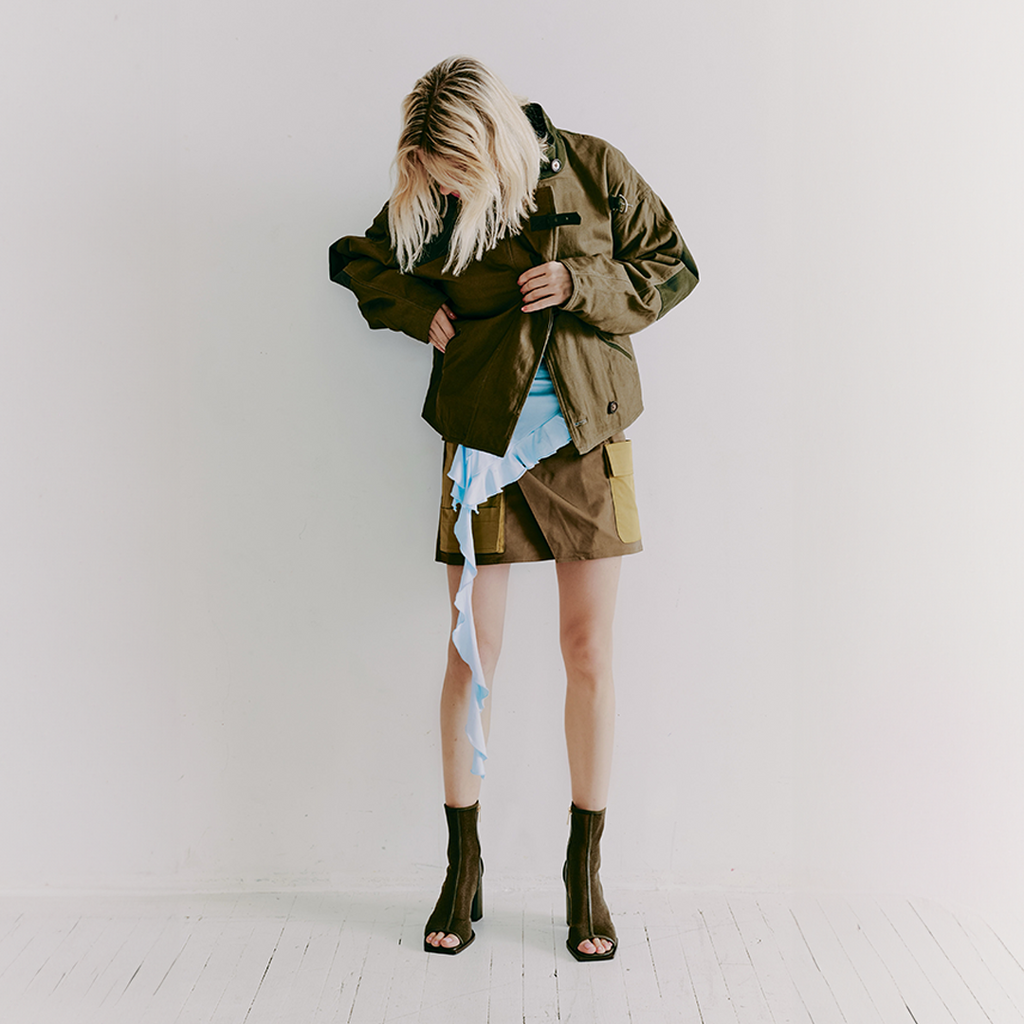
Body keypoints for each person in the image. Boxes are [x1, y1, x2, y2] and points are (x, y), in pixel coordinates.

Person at [329, 56, 698, 961]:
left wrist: (583, 286)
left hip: (587, 433)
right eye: (437, 176)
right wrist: (421, 314)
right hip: (482, 442)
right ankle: (463, 869)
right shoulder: (435, 199)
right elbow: (357, 260)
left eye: (460, 168)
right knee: (471, 651)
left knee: (588, 651)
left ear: (494, 136)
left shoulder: (594, 167)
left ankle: (584, 874)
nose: (451, 188)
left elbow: (673, 265)